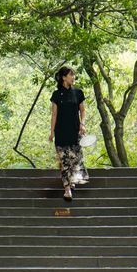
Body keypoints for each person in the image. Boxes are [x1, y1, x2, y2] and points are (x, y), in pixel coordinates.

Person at [49, 65, 89, 201]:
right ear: (64, 77)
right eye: (71, 75)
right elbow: (54, 115)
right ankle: (67, 190)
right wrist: (52, 132)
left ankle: (72, 182)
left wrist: (82, 124)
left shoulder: (78, 92)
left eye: (74, 75)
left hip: (74, 131)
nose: (73, 78)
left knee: (75, 159)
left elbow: (82, 110)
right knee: (63, 160)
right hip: (60, 132)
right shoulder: (56, 94)